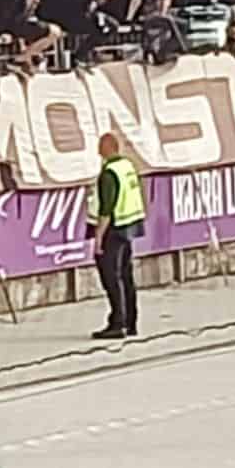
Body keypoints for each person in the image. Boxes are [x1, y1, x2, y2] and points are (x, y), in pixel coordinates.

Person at [86, 130, 144, 341]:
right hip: (129, 225)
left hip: (114, 228)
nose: (97, 151)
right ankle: (130, 322)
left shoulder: (109, 173)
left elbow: (106, 208)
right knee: (126, 275)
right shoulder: (127, 166)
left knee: (111, 276)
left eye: (100, 146)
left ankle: (117, 323)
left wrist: (98, 237)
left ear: (107, 148)